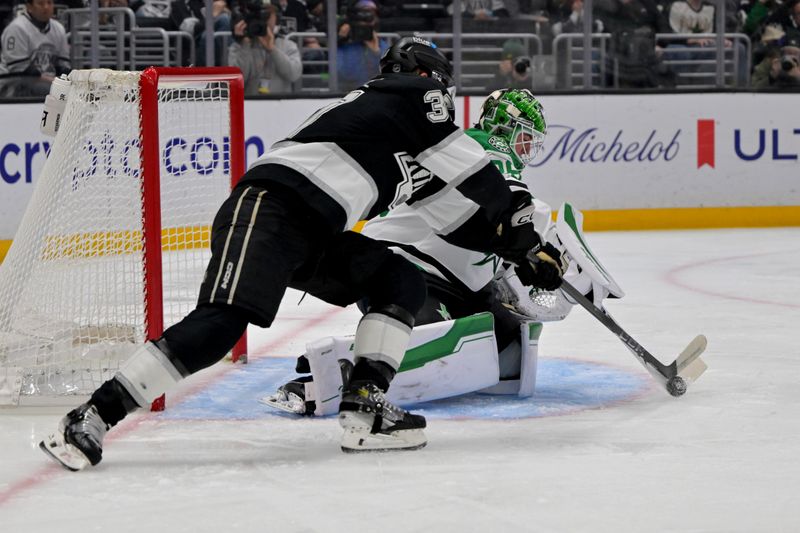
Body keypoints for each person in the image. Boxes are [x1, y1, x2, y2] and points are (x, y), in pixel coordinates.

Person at [39, 37, 565, 470]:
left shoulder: (395, 131)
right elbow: (478, 178)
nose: (445, 95)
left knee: (397, 281)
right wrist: (527, 239)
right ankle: (92, 415)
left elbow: (459, 214)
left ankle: (365, 408)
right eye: (441, 84)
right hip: (273, 207)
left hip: (314, 225)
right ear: (426, 76)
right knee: (222, 322)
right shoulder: (410, 97)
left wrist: (520, 251)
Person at [264, 89, 622, 417]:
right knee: (436, 342)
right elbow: (517, 209)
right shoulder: (478, 147)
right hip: (409, 267)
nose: (528, 148)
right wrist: (549, 246)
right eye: (525, 135)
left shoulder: (479, 153)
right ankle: (320, 380)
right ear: (505, 126)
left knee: (505, 343)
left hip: (451, 281)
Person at [228, 2, 302, 95]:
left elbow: (294, 74)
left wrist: (272, 49)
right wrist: (245, 44)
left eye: (266, 15)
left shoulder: (289, 45)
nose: (263, 20)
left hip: (282, 106)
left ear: (277, 19)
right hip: (250, 106)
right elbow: (237, 80)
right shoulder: (237, 47)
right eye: (258, 16)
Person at [0, 0, 70, 97]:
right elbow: (20, 68)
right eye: (41, 3)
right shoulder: (17, 28)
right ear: (29, 7)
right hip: (12, 82)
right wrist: (53, 81)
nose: (46, 7)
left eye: (49, 3)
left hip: (46, 81)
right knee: (49, 89)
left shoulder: (59, 28)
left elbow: (63, 66)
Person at [336, 0, 390, 91]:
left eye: (370, 16)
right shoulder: (343, 46)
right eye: (361, 15)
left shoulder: (382, 45)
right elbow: (341, 74)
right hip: (344, 92)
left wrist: (375, 53)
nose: (365, 21)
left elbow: (385, 75)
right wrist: (339, 39)